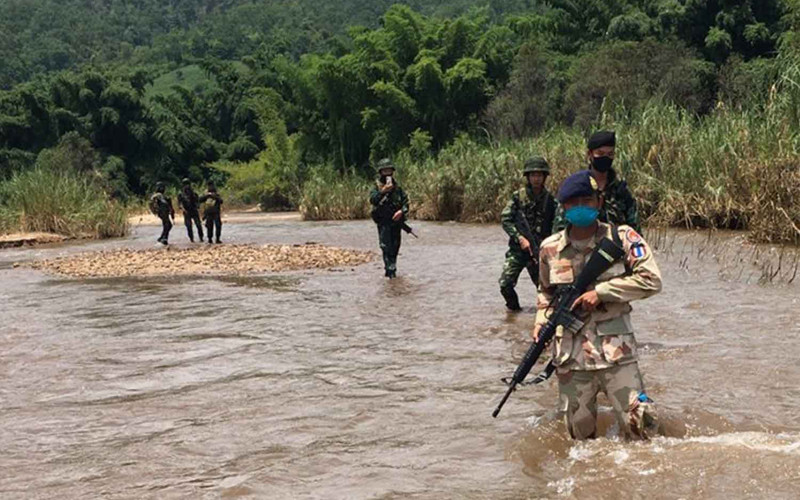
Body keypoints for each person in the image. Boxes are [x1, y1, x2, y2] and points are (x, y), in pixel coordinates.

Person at [533, 170, 661, 440]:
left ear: (599, 203)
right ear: (564, 207)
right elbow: (545, 292)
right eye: (573, 203)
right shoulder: (549, 249)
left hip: (617, 353)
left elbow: (651, 281)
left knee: (643, 430)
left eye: (587, 201)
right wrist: (541, 321)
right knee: (580, 442)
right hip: (571, 358)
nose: (580, 208)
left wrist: (602, 292)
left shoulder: (622, 238)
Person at [553, 131, 641, 234]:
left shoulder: (621, 191)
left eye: (610, 154)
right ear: (590, 154)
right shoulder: (577, 188)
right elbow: (560, 228)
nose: (605, 158)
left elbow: (635, 230)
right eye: (600, 153)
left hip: (615, 247)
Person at [499, 156, 557, 311]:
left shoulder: (550, 200)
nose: (536, 179)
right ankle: (514, 314)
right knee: (505, 284)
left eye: (539, 175)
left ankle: (545, 316)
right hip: (519, 250)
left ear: (544, 177)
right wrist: (519, 238)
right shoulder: (518, 197)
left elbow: (558, 224)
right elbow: (506, 219)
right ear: (528, 177)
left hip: (539, 251)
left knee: (546, 289)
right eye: (533, 175)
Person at [369, 158, 409, 278]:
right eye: (384, 171)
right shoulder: (376, 187)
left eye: (389, 170)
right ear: (380, 172)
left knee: (395, 246)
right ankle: (390, 271)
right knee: (386, 246)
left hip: (396, 222)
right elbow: (373, 200)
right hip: (384, 222)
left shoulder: (398, 188)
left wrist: (401, 212)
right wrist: (383, 191)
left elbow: (406, 203)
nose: (387, 173)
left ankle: (391, 271)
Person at [177, 178, 203, 243]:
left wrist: (197, 206)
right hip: (186, 212)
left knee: (198, 225)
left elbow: (198, 202)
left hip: (194, 211)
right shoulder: (181, 195)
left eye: (188, 184)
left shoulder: (194, 194)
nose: (187, 186)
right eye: (185, 184)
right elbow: (179, 204)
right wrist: (183, 209)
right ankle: (192, 239)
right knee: (189, 226)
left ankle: (201, 238)